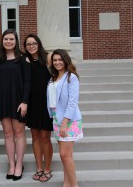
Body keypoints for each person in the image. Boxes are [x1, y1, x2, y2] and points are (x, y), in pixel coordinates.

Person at [0, 29, 31, 181]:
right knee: (8, 134)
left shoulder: (23, 59)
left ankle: (20, 164)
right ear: (2, 41)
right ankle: (11, 165)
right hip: (3, 100)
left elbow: (28, 81)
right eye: (6, 39)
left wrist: (25, 102)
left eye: (11, 39)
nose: (9, 41)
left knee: (19, 133)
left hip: (19, 101)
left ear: (16, 41)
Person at [47, 49, 83, 187]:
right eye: (55, 60)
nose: (57, 62)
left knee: (64, 154)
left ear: (66, 60)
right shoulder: (53, 77)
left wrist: (64, 123)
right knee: (66, 155)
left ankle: (74, 185)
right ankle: (66, 183)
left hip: (69, 121)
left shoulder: (71, 77)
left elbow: (72, 102)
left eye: (60, 60)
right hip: (57, 120)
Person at [23, 34, 53, 182]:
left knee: (45, 137)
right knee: (35, 136)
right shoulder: (26, 61)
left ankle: (47, 169)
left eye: (34, 43)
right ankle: (39, 168)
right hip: (32, 103)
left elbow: (57, 77)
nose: (31, 46)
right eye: (28, 44)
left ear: (39, 44)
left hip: (46, 104)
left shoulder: (48, 58)